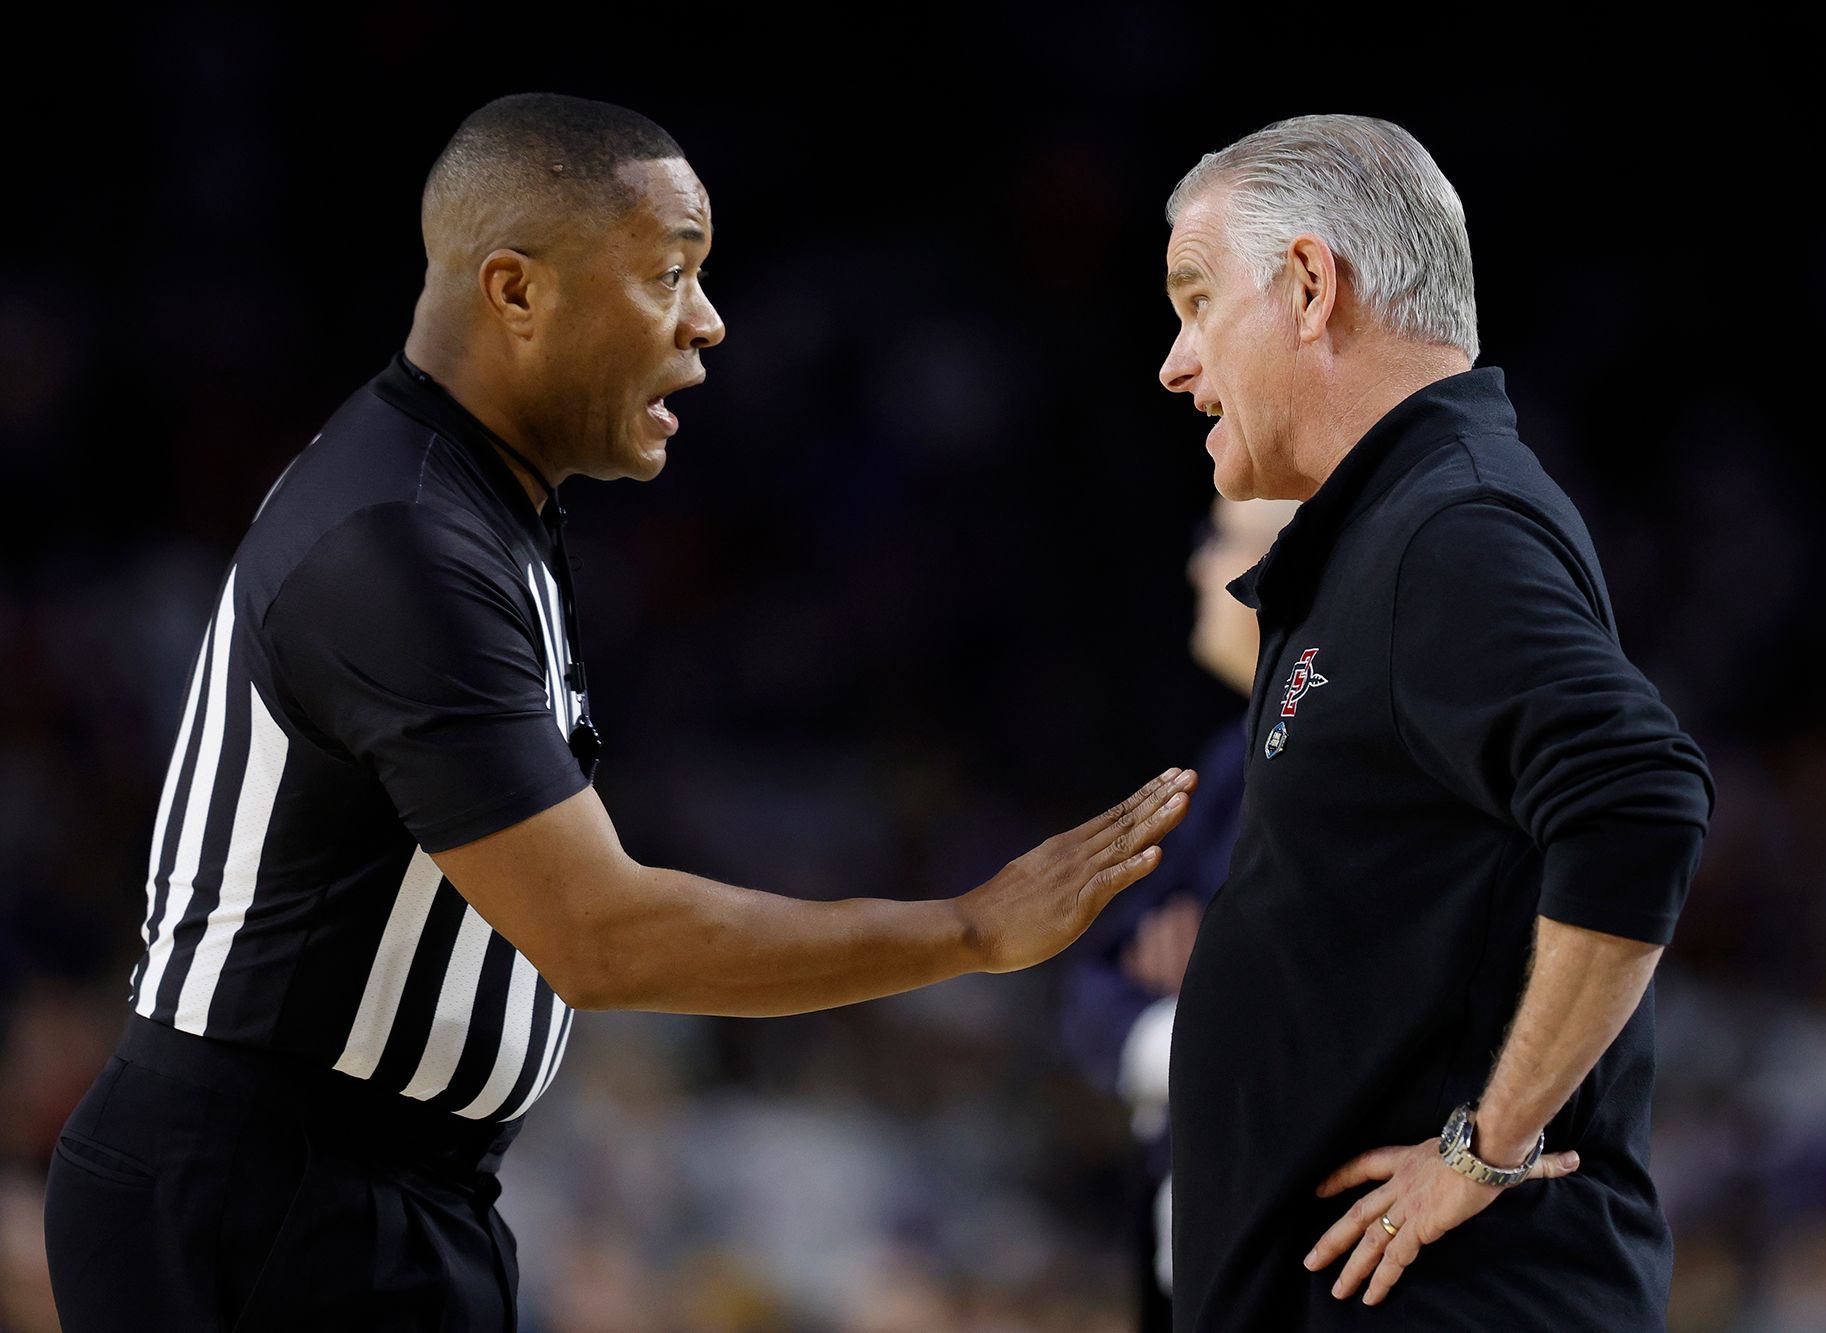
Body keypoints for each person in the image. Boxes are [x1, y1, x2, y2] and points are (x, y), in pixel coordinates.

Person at [41, 93, 1197, 1332]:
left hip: (360, 1187)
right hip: (258, 1199)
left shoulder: (465, 499)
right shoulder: (402, 542)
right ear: (514, 290)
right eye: (667, 273)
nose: (705, 322)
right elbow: (600, 940)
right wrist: (964, 930)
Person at [1154, 115, 1714, 1330]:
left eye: (1196, 302)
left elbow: (1636, 798)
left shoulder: (1444, 528)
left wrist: (1481, 1146)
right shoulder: (1401, 524)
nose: (1175, 363)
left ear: (1308, 285)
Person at [1061, 494, 1297, 1331]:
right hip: (1187, 1226)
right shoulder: (1227, 761)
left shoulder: (1367, 767)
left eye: (1223, 541)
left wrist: (1206, 993)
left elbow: (1311, 1010)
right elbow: (1092, 986)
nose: (1199, 564)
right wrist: (1188, 1028)